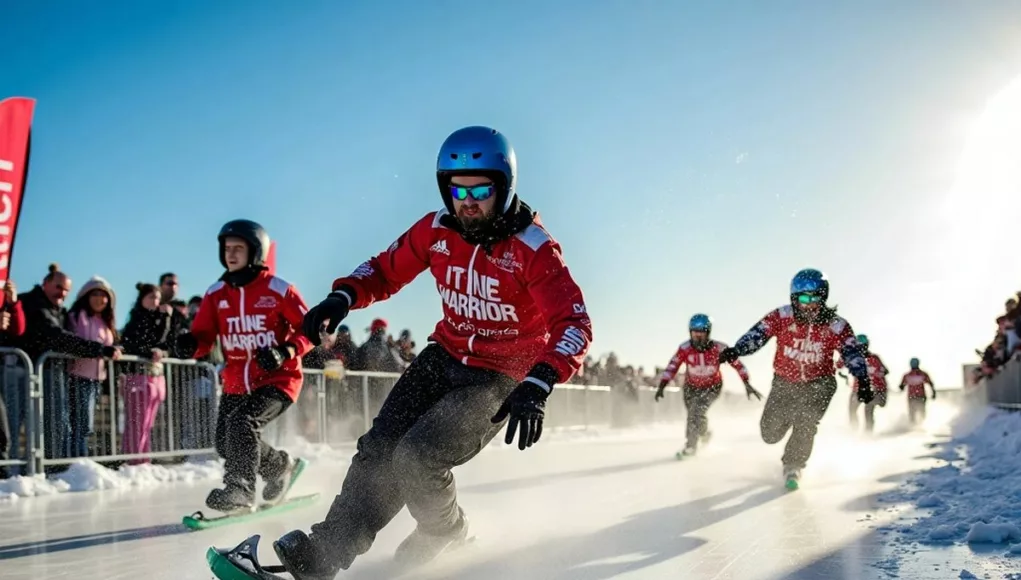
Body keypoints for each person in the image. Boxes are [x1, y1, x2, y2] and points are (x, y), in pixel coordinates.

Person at [270, 125, 593, 579]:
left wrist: (539, 380)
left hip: (500, 376)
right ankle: (325, 553)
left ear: (505, 187)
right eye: (457, 190)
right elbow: (384, 270)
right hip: (443, 356)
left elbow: (574, 323)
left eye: (482, 189)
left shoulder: (534, 250)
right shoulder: (437, 230)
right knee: (380, 447)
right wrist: (343, 296)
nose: (468, 202)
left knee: (418, 456)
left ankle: (446, 530)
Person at [175, 219, 313, 513]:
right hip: (237, 380)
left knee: (242, 424)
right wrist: (191, 344)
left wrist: (286, 349)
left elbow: (311, 329)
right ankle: (279, 466)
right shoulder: (216, 294)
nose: (231, 254)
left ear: (256, 252)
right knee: (226, 444)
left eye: (238, 248)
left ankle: (240, 490)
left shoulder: (279, 289)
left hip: (279, 379)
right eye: (226, 249)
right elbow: (204, 336)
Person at [718, 268, 871, 486]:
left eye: (815, 299)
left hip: (820, 382)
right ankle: (791, 419)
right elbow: (758, 334)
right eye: (803, 299)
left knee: (806, 422)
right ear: (794, 298)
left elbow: (851, 352)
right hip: (785, 381)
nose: (808, 305)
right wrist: (738, 349)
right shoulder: (782, 316)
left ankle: (794, 465)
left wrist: (863, 380)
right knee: (769, 434)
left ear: (824, 297)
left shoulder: (836, 325)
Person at [655, 313, 761, 457]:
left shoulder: (719, 348)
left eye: (701, 333)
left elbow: (738, 365)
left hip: (712, 387)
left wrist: (746, 383)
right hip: (690, 387)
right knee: (695, 414)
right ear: (690, 332)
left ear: (708, 333)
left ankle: (690, 446)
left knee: (696, 411)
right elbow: (672, 366)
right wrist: (662, 385)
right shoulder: (685, 348)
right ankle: (704, 433)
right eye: (694, 333)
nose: (698, 337)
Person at [840, 334, 890, 433]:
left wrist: (876, 374)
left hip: (875, 389)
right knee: (852, 409)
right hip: (858, 389)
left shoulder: (874, 358)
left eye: (863, 346)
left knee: (868, 407)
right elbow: (840, 365)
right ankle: (853, 430)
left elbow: (885, 371)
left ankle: (868, 432)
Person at [899, 357, 935, 424]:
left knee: (912, 412)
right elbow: (931, 384)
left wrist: (901, 387)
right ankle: (921, 424)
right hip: (921, 396)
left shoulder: (907, 375)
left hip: (911, 397)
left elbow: (901, 386)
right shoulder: (923, 374)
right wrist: (933, 393)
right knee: (922, 411)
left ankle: (913, 425)